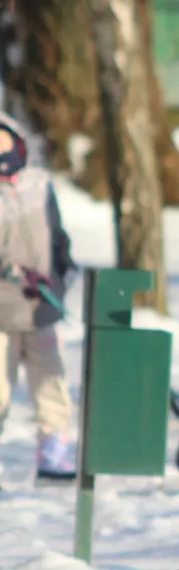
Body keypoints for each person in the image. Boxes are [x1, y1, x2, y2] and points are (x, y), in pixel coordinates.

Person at [0, 112, 77, 483]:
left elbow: (57, 236)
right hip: (2, 310)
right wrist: (10, 271)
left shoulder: (38, 185)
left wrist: (61, 277)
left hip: (41, 306)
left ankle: (53, 449)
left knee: (50, 380)